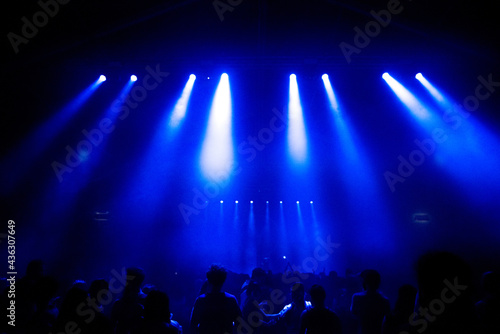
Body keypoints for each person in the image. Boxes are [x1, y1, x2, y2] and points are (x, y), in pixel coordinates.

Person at [190, 264, 242, 334]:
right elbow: (240, 324)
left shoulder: (201, 301)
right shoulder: (231, 300)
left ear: (208, 280)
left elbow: (193, 326)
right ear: (223, 281)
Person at [350, 269, 390, 334]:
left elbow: (353, 314)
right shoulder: (385, 300)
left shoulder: (357, 297)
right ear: (378, 282)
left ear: (365, 282)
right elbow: (387, 320)